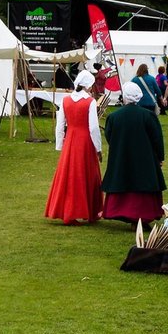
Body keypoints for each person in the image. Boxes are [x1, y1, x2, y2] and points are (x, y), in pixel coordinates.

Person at [102, 82, 166, 229]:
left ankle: (125, 212)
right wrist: (159, 157)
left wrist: (119, 146)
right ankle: (141, 215)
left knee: (123, 179)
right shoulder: (148, 116)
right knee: (142, 183)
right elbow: (157, 138)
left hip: (122, 156)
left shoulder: (114, 117)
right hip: (145, 158)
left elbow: (109, 136)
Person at [44, 70, 103, 225]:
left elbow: (60, 125)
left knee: (69, 175)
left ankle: (74, 211)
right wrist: (98, 148)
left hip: (70, 140)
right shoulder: (89, 101)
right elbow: (94, 128)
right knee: (87, 175)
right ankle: (89, 211)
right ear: (89, 86)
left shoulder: (66, 100)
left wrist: (60, 145)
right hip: (84, 141)